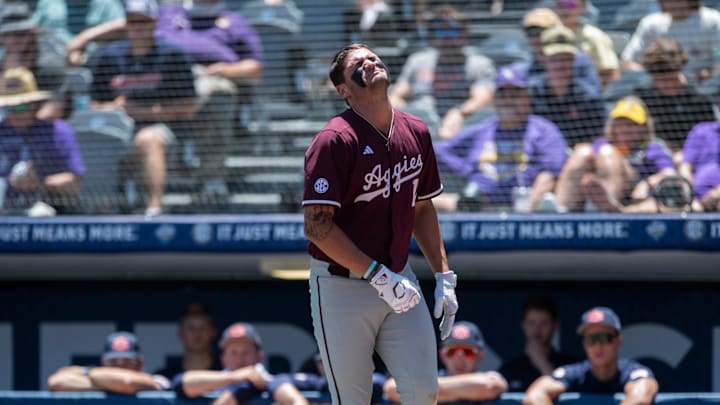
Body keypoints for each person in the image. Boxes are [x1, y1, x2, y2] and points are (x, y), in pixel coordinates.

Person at [302, 43, 458, 404]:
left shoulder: (416, 131)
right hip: (343, 285)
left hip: (400, 278)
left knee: (423, 391)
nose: (370, 62)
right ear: (344, 90)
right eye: (358, 63)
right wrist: (375, 274)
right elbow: (317, 227)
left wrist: (443, 276)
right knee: (353, 400)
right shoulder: (334, 139)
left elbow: (422, 207)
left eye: (372, 57)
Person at [88, 0, 198, 216]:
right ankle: (99, 205)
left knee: (148, 138)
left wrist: (145, 112)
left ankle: (154, 208)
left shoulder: (172, 56)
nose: (138, 28)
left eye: (144, 22)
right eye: (133, 22)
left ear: (155, 23)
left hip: (167, 130)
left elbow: (189, 106)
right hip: (118, 129)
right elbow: (94, 104)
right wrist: (113, 108)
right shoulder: (108, 57)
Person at [434, 64, 568, 213]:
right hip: (477, 207)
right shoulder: (481, 131)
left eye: (515, 95)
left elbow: (550, 174)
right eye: (503, 95)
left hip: (525, 208)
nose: (509, 101)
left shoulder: (543, 130)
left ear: (528, 98)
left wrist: (526, 212)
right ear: (495, 100)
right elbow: (433, 154)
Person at [389, 4, 495, 140]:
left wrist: (459, 112)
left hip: (457, 128)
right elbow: (397, 95)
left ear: (464, 34)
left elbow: (482, 98)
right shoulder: (418, 61)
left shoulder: (478, 64)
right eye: (440, 31)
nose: (446, 37)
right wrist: (401, 111)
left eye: (453, 31)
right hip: (417, 126)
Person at [554, 96, 676, 213]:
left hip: (631, 195)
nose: (625, 129)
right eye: (620, 123)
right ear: (612, 125)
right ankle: (560, 211)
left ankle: (606, 210)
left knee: (607, 152)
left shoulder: (652, 148)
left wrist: (646, 184)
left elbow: (670, 173)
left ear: (644, 127)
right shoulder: (601, 144)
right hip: (592, 188)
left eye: (631, 124)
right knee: (582, 151)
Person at [522, 306, 659, 405]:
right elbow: (535, 395)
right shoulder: (576, 373)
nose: (598, 346)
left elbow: (641, 398)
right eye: (591, 339)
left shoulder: (632, 371)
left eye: (605, 338)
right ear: (584, 344)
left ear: (618, 341)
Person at [0, 67, 84, 215]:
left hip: (50, 209)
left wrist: (39, 184)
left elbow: (74, 182)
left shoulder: (58, 131)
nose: (13, 114)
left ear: (34, 104)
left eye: (20, 107)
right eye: (7, 108)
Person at [172, 322, 308, 405]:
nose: (240, 357)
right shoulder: (214, 381)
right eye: (234, 352)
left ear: (259, 356)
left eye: (246, 352)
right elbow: (179, 384)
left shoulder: (271, 382)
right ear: (223, 358)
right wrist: (236, 376)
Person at [383, 321, 508, 403]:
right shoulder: (435, 376)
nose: (459, 358)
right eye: (452, 351)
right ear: (442, 355)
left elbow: (490, 386)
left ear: (480, 356)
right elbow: (391, 387)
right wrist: (466, 391)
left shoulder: (488, 377)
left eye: (467, 351)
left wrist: (429, 393)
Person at [634, 37, 716, 159]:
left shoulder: (699, 97)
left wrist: (686, 155)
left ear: (679, 70)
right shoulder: (642, 97)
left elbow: (710, 136)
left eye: (670, 78)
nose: (665, 84)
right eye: (659, 79)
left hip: (696, 158)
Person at [529, 25, 607, 147]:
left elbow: (599, 138)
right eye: (555, 59)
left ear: (574, 59)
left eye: (566, 58)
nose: (561, 64)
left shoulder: (589, 97)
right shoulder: (530, 96)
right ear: (542, 58)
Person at [621, 0, 720, 84]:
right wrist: (658, 78)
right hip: (658, 98)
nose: (670, 3)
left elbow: (718, 53)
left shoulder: (712, 21)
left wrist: (710, 72)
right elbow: (627, 62)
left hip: (703, 93)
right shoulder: (651, 24)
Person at [1, 2, 69, 120]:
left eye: (20, 34)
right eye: (7, 35)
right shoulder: (2, 62)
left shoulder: (49, 65)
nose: (13, 40)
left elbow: (52, 111)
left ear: (32, 34)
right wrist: (9, 72)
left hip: (44, 130)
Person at [47, 331, 170, 393]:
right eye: (113, 362)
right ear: (103, 363)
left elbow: (127, 382)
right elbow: (56, 382)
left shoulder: (156, 380)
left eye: (127, 362)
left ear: (140, 363)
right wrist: (109, 382)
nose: (119, 367)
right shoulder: (98, 378)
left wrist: (87, 372)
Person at [499, 296, 578, 392]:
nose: (537, 330)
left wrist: (541, 362)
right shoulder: (509, 369)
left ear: (555, 326)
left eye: (544, 323)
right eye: (531, 323)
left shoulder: (571, 367)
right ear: (523, 326)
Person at [518, 8, 601, 92]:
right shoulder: (528, 67)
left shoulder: (579, 61)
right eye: (530, 32)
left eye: (540, 31)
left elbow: (592, 96)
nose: (535, 37)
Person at [554, 0, 619, 88]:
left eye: (570, 4)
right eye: (560, 4)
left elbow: (610, 73)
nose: (564, 9)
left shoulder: (594, 36)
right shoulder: (548, 36)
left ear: (583, 8)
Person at [153, 302, 222, 380]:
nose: (197, 333)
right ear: (180, 333)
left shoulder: (224, 374)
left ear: (213, 332)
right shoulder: (165, 377)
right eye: (190, 327)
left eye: (203, 327)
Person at [287, 351, 388, 403]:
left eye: (333, 359)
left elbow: (390, 386)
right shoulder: (316, 382)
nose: (328, 364)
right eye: (322, 361)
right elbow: (278, 381)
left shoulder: (371, 381)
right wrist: (297, 401)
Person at [679, 121, 720, 211]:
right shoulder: (701, 131)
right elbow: (685, 167)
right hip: (696, 202)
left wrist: (717, 192)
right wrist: (691, 199)